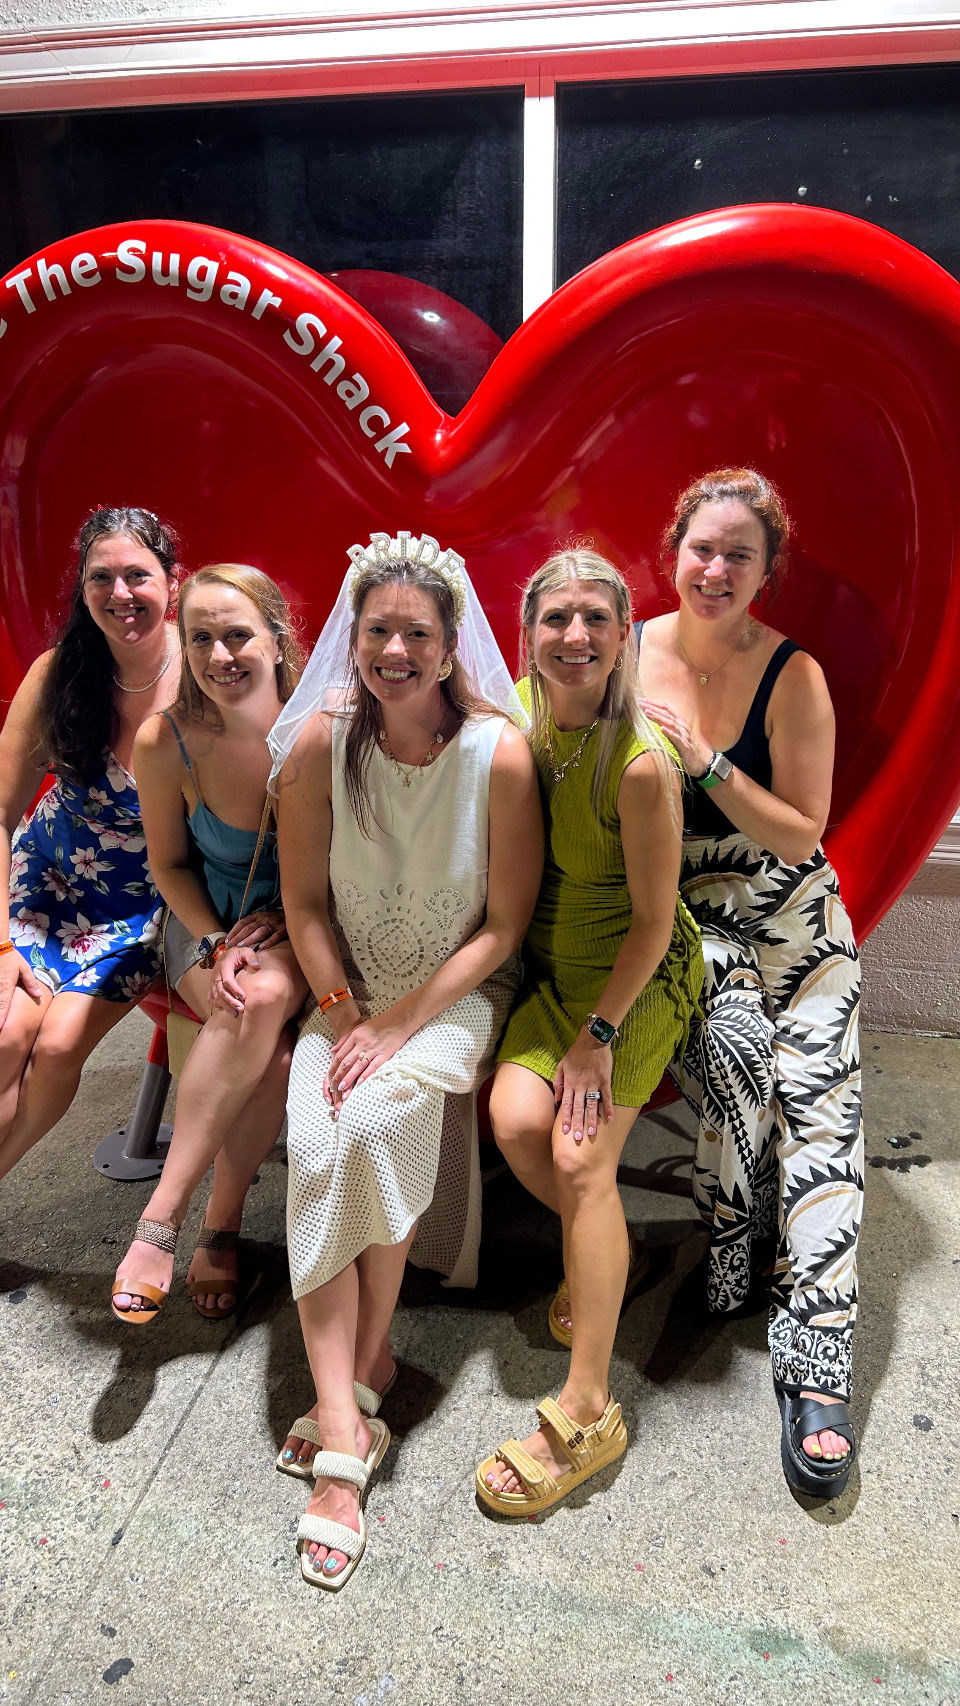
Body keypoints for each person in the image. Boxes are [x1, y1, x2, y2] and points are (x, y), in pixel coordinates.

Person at [270, 530, 542, 1589]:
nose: (393, 647)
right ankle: (357, 1392)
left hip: (454, 995)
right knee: (318, 1132)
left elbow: (502, 928)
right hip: (348, 997)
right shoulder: (317, 748)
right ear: (353, 634)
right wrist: (342, 1013)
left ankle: (344, 1423)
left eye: (415, 631)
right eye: (376, 628)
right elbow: (300, 902)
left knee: (375, 1120)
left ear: (449, 642)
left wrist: (397, 1026)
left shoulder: (497, 753)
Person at [636, 467, 863, 1498]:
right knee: (737, 1053)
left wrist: (707, 760)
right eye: (703, 546)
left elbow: (803, 828)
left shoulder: (794, 674)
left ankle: (817, 1368)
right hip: (685, 916)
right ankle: (732, 1246)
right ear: (672, 549)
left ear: (767, 572)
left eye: (740, 554)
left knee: (822, 1105)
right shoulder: (625, 645)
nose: (716, 567)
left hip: (796, 911)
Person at [476, 549, 703, 1520]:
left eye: (595, 619)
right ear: (529, 633)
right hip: (556, 971)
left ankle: (588, 1406)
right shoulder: (521, 708)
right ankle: (610, 1254)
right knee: (515, 1119)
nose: (574, 635)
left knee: (578, 1156)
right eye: (555, 618)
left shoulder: (642, 762)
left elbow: (656, 921)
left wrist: (599, 1034)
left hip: (633, 980)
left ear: (623, 636)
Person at [111, 564, 309, 1324]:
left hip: (300, 926)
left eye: (237, 635)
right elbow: (166, 865)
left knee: (264, 1005)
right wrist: (215, 938)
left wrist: (292, 925)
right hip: (203, 923)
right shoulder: (168, 741)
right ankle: (199, 1224)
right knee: (264, 1026)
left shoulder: (321, 726)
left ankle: (178, 1218)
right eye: (201, 639)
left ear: (276, 636)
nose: (221, 655)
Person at [0, 507, 181, 1184]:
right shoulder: (59, 674)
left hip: (140, 907)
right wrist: (2, 944)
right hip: (42, 886)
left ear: (172, 583)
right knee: (9, 1033)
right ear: (83, 589)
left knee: (58, 1045)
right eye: (101, 577)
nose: (120, 593)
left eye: (138, 574)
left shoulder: (202, 683)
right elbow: (1, 809)